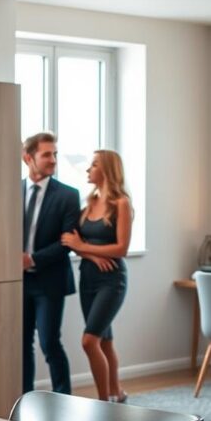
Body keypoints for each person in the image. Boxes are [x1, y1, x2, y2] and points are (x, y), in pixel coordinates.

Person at [61, 150, 133, 402]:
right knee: (104, 341)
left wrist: (85, 247)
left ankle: (103, 401)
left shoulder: (121, 204)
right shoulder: (88, 204)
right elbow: (70, 242)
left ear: (107, 170)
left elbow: (121, 249)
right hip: (88, 276)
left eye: (93, 165)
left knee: (89, 341)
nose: (88, 169)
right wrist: (91, 255)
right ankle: (117, 393)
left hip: (112, 280)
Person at [21, 132, 81, 394]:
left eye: (55, 154)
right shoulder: (11, 190)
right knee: (21, 345)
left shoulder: (68, 195)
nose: (53, 159)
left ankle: (64, 398)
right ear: (28, 158)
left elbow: (67, 242)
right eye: (47, 154)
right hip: (18, 282)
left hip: (50, 281)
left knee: (49, 343)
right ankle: (23, 398)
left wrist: (32, 259)